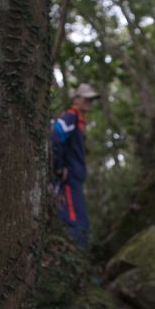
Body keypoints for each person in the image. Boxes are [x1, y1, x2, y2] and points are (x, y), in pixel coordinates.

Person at [52, 83, 100, 250]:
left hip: (75, 181)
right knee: (75, 223)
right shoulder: (71, 117)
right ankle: (76, 264)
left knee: (81, 222)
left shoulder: (79, 120)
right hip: (68, 180)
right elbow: (56, 135)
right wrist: (59, 167)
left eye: (91, 99)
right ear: (76, 99)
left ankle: (81, 264)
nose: (89, 102)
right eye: (86, 98)